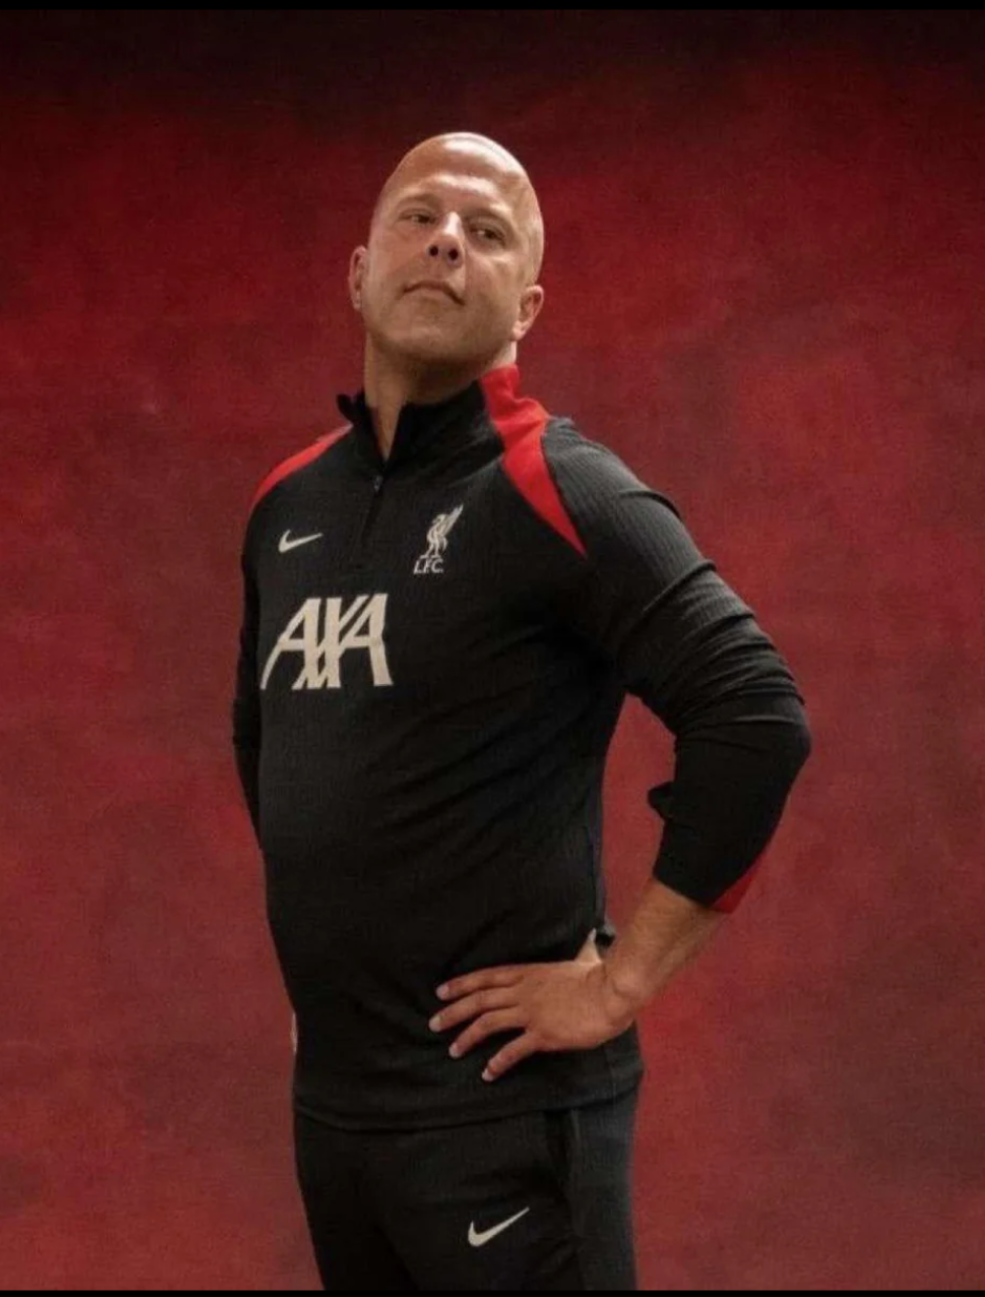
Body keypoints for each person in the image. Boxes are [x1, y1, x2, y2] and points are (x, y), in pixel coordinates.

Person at [231, 131, 812, 1291]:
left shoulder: (556, 486)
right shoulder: (288, 504)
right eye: (419, 215)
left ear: (526, 305)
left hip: (498, 1116)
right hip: (339, 1112)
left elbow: (755, 714)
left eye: (487, 231)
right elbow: (271, 742)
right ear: (359, 271)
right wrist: (330, 970)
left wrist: (619, 982)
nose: (447, 240)